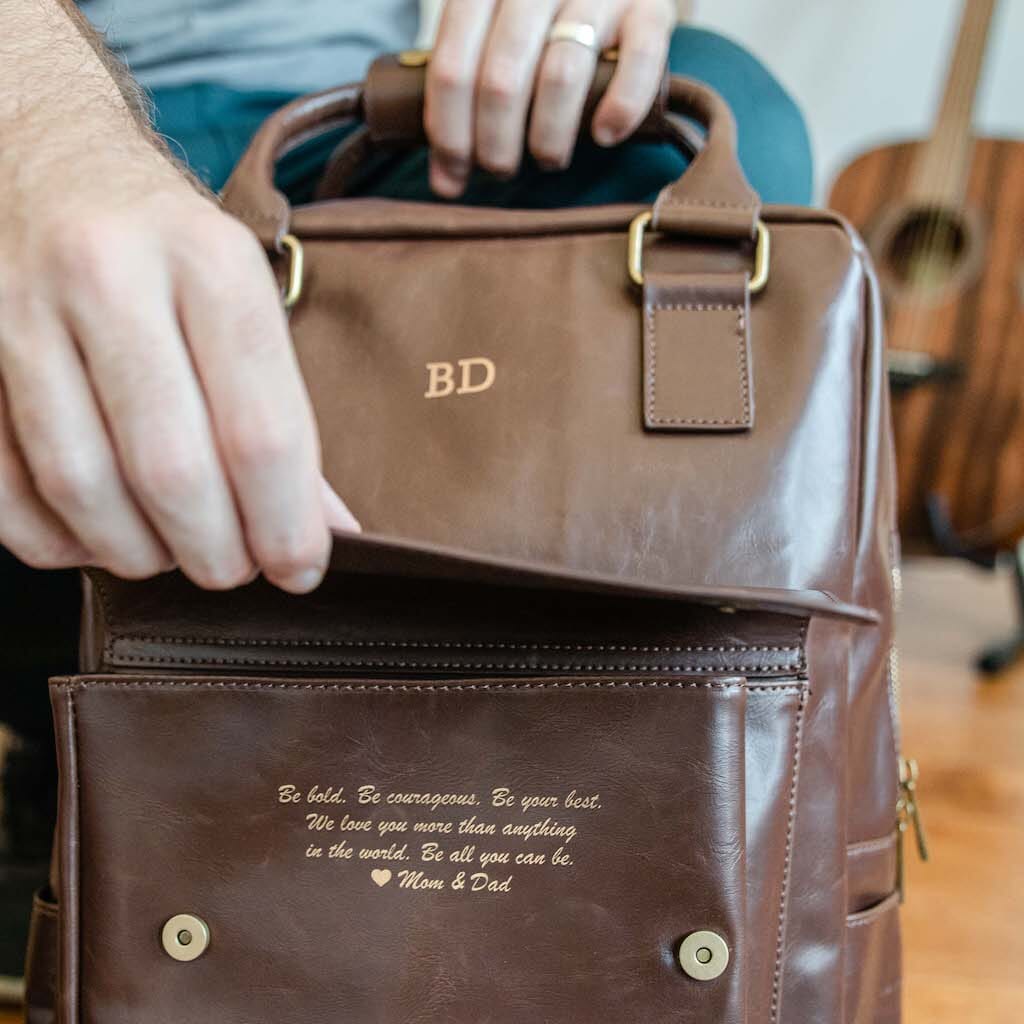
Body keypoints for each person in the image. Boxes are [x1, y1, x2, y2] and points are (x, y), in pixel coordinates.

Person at [0, 0, 811, 969]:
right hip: (56, 102)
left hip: (393, 126)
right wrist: (31, 133)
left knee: (724, 110)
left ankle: (632, 823)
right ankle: (99, 776)